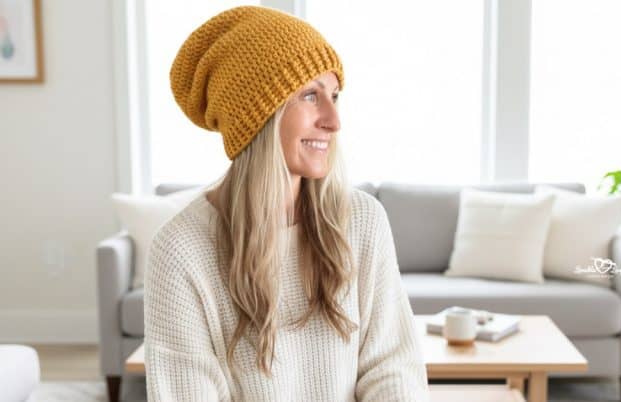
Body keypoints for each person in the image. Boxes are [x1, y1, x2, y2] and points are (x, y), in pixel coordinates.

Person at [143, 5, 429, 402]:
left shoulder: (362, 220)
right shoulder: (181, 251)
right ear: (258, 117)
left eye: (335, 95)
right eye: (310, 95)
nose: (333, 120)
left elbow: (391, 369)